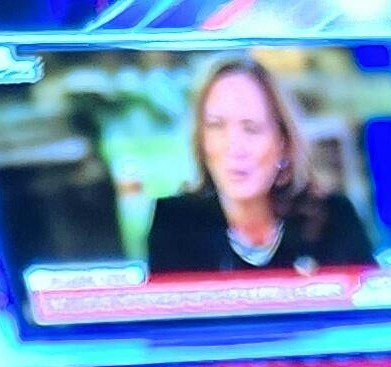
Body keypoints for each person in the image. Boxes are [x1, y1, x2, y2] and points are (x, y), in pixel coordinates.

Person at [143, 56, 371, 279]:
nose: (234, 147)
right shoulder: (174, 224)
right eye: (216, 126)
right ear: (201, 141)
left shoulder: (335, 220)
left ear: (283, 143)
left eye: (251, 128)